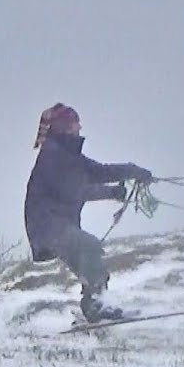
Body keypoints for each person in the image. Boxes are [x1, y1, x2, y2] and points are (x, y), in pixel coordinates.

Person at [23, 103, 153, 323]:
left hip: (55, 225)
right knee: (89, 247)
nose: (80, 126)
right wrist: (112, 191)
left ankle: (97, 304)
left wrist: (132, 171)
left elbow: (98, 171)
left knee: (89, 259)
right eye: (75, 123)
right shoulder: (53, 156)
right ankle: (95, 306)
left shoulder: (66, 154)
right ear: (64, 127)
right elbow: (74, 190)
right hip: (47, 226)